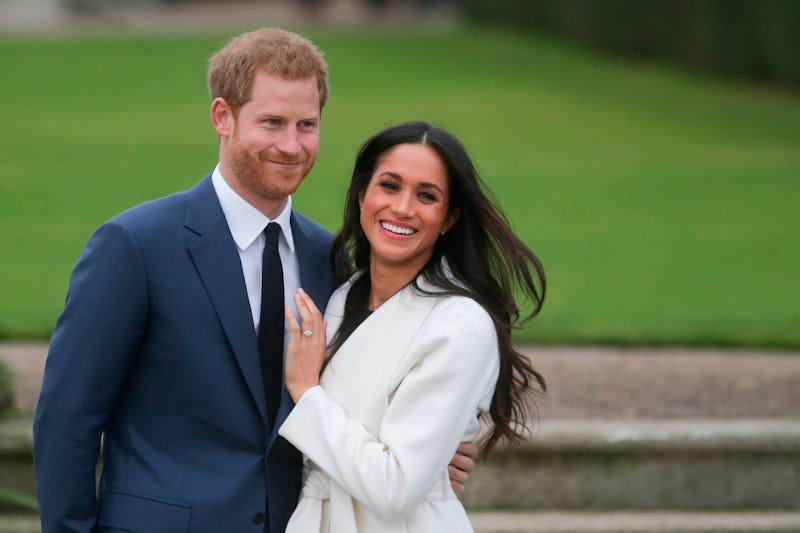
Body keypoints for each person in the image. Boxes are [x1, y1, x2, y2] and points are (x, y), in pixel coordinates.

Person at [32, 29, 475, 533]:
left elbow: (354, 394)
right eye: (273, 123)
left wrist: (432, 453)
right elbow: (68, 420)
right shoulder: (135, 246)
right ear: (223, 117)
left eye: (306, 125)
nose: (291, 145)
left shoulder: (330, 259)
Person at [277, 121, 547, 532]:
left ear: (449, 218)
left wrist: (306, 392)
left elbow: (395, 489)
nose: (403, 208)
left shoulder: (459, 325)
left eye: (426, 196)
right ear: (362, 193)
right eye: (389, 186)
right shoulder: (340, 296)